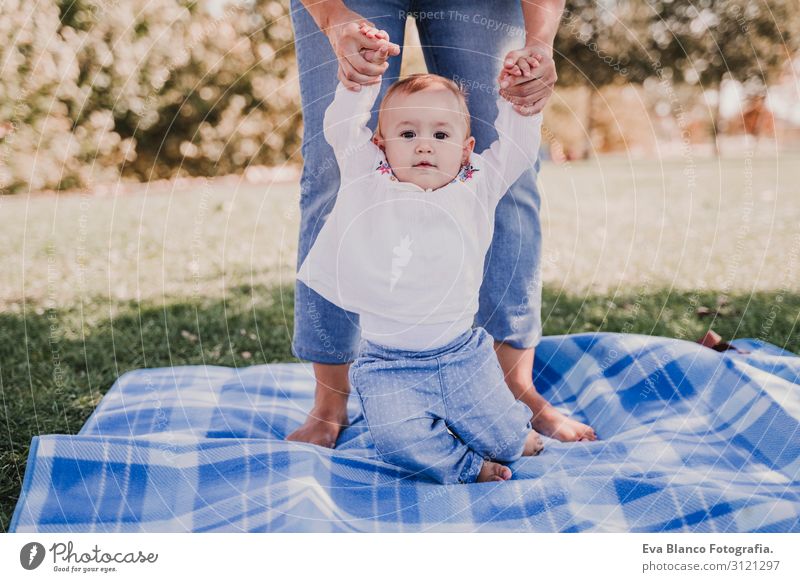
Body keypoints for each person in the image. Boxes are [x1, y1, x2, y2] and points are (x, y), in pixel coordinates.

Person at [288, 0, 596, 449]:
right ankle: (329, 401)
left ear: (465, 148)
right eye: (408, 136)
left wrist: (537, 51)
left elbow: (510, 149)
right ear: (380, 145)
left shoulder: (481, 177)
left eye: (439, 137)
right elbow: (343, 133)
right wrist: (337, 25)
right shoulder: (366, 164)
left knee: (511, 180)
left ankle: (510, 389)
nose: (424, 147)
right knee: (330, 173)